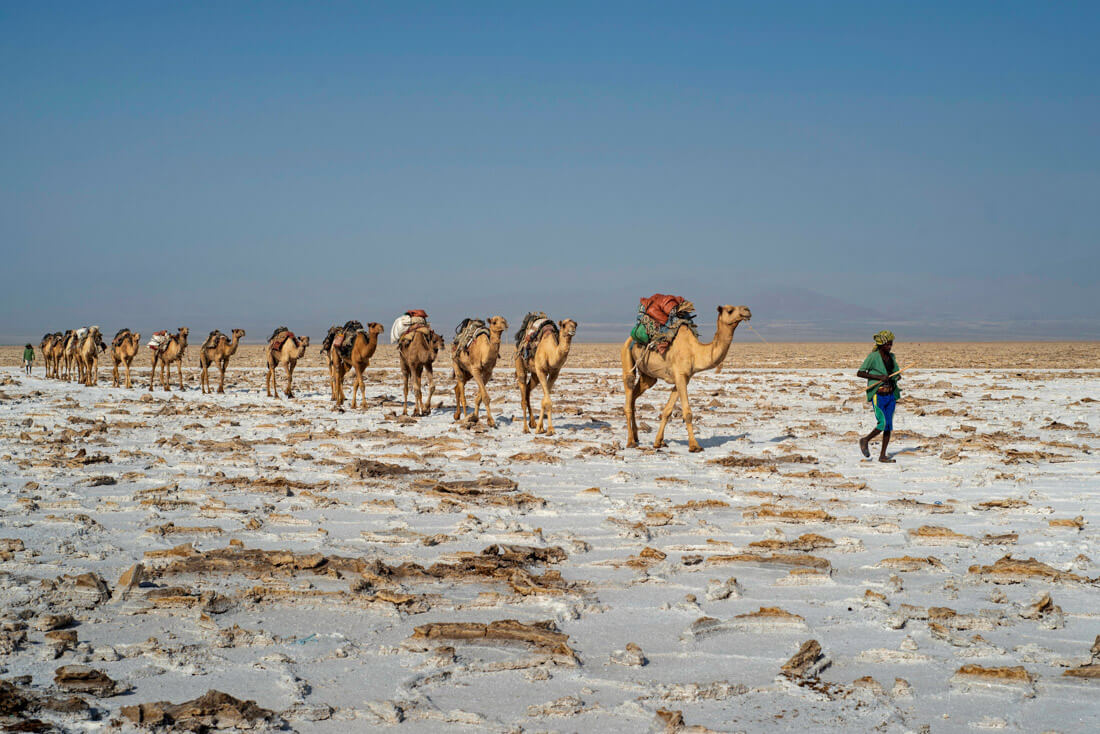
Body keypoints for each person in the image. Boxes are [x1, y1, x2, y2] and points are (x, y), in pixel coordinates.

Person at [857, 330, 901, 463]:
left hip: (890, 395)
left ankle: (882, 455)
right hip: (879, 395)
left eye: (891, 344)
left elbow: (895, 372)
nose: (890, 347)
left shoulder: (891, 357)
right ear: (881, 345)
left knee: (888, 426)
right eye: (887, 344)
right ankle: (865, 440)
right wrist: (878, 377)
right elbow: (860, 373)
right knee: (882, 423)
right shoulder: (873, 357)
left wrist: (897, 376)